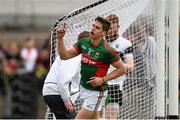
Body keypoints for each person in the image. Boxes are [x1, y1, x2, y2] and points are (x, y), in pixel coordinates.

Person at [57, 16, 126, 119]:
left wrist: (103, 79)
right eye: (93, 26)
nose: (93, 28)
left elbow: (122, 69)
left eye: (97, 28)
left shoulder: (107, 50)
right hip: (84, 89)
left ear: (103, 33)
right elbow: (64, 56)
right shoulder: (84, 42)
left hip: (96, 93)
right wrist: (60, 38)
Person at [42, 31, 90, 119]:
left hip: (51, 92)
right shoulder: (74, 56)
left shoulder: (71, 54)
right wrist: (66, 99)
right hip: (57, 93)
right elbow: (63, 80)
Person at [104, 14, 134, 119]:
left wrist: (116, 64)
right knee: (96, 116)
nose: (110, 31)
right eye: (108, 28)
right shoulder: (99, 42)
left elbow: (130, 66)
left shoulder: (125, 44)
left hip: (115, 85)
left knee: (112, 117)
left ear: (118, 27)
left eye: (113, 28)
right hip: (98, 83)